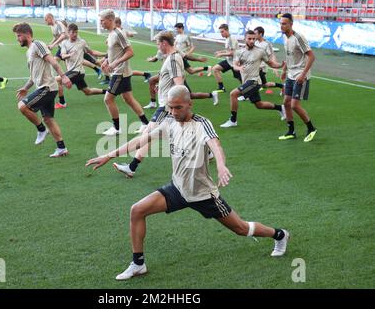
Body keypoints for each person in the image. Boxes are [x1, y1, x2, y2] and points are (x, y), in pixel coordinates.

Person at [86, 85, 290, 281]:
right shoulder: (169, 123)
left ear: (189, 104)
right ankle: (138, 264)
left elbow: (216, 146)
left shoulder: (202, 124)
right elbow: (141, 140)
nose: (173, 112)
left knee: (241, 229)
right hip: (177, 189)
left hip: (203, 195)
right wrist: (109, 155)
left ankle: (279, 235)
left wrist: (221, 166)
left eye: (178, 107)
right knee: (137, 210)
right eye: (170, 107)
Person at [112, 30, 184, 178]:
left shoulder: (173, 59)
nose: (157, 46)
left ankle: (131, 167)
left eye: (158, 43)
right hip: (166, 103)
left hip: (166, 106)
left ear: (164, 43)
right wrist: (162, 87)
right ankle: (206, 150)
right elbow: (173, 81)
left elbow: (179, 84)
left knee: (147, 134)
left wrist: (174, 106)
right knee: (164, 135)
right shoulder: (171, 57)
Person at [12, 22, 72, 157]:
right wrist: (25, 88)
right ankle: (61, 148)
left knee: (22, 106)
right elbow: (33, 76)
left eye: (19, 36)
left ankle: (41, 130)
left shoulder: (37, 45)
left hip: (47, 88)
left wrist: (63, 76)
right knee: (49, 119)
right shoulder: (29, 51)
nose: (17, 39)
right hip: (44, 87)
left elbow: (53, 61)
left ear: (27, 35)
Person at [220, 30, 286, 128]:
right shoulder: (239, 52)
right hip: (247, 81)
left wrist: (281, 65)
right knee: (259, 105)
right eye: (249, 39)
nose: (251, 41)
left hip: (255, 81)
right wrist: (238, 68)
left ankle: (233, 120)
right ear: (244, 39)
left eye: (253, 39)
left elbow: (271, 63)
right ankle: (281, 108)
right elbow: (234, 65)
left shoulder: (260, 51)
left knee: (233, 94)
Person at [99, 9, 149, 136]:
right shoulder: (111, 34)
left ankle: (117, 128)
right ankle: (146, 124)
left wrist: (115, 63)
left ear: (110, 20)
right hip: (121, 72)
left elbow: (130, 52)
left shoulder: (118, 33)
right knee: (129, 99)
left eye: (102, 20)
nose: (100, 23)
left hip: (120, 73)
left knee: (108, 99)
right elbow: (114, 51)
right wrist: (106, 60)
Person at [279, 13, 317, 142]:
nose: (282, 26)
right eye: (280, 23)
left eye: (284, 23)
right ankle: (291, 131)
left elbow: (311, 56)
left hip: (300, 75)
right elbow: (289, 56)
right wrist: (284, 70)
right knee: (286, 103)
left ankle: (311, 128)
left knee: (294, 105)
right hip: (290, 74)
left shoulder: (298, 37)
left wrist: (303, 74)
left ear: (291, 24)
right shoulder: (285, 38)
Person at [55, 23, 108, 109]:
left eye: (76, 32)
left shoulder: (82, 42)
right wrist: (69, 55)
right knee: (88, 91)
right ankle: (108, 92)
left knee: (56, 80)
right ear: (68, 33)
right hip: (72, 71)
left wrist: (105, 54)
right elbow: (63, 55)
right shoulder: (64, 43)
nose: (75, 34)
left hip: (77, 72)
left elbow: (92, 52)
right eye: (73, 32)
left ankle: (62, 102)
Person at [114, 17, 152, 83]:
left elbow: (130, 35)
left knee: (124, 70)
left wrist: (127, 34)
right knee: (126, 71)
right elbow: (130, 35)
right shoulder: (117, 31)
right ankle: (146, 74)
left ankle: (111, 79)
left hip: (122, 53)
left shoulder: (121, 31)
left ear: (117, 23)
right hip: (118, 52)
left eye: (114, 23)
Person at [209, 24, 242, 92]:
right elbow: (228, 50)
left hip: (235, 62)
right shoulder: (227, 39)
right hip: (229, 61)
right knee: (215, 69)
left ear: (227, 30)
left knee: (240, 78)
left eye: (222, 31)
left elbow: (232, 53)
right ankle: (221, 88)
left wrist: (221, 54)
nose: (221, 33)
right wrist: (221, 51)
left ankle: (250, 88)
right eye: (220, 32)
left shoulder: (231, 39)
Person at [253, 26, 284, 92]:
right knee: (264, 85)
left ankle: (246, 95)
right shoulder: (255, 42)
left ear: (260, 34)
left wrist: (274, 68)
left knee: (251, 80)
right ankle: (282, 86)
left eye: (255, 33)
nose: (254, 35)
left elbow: (272, 55)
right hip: (255, 66)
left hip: (261, 67)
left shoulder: (267, 44)